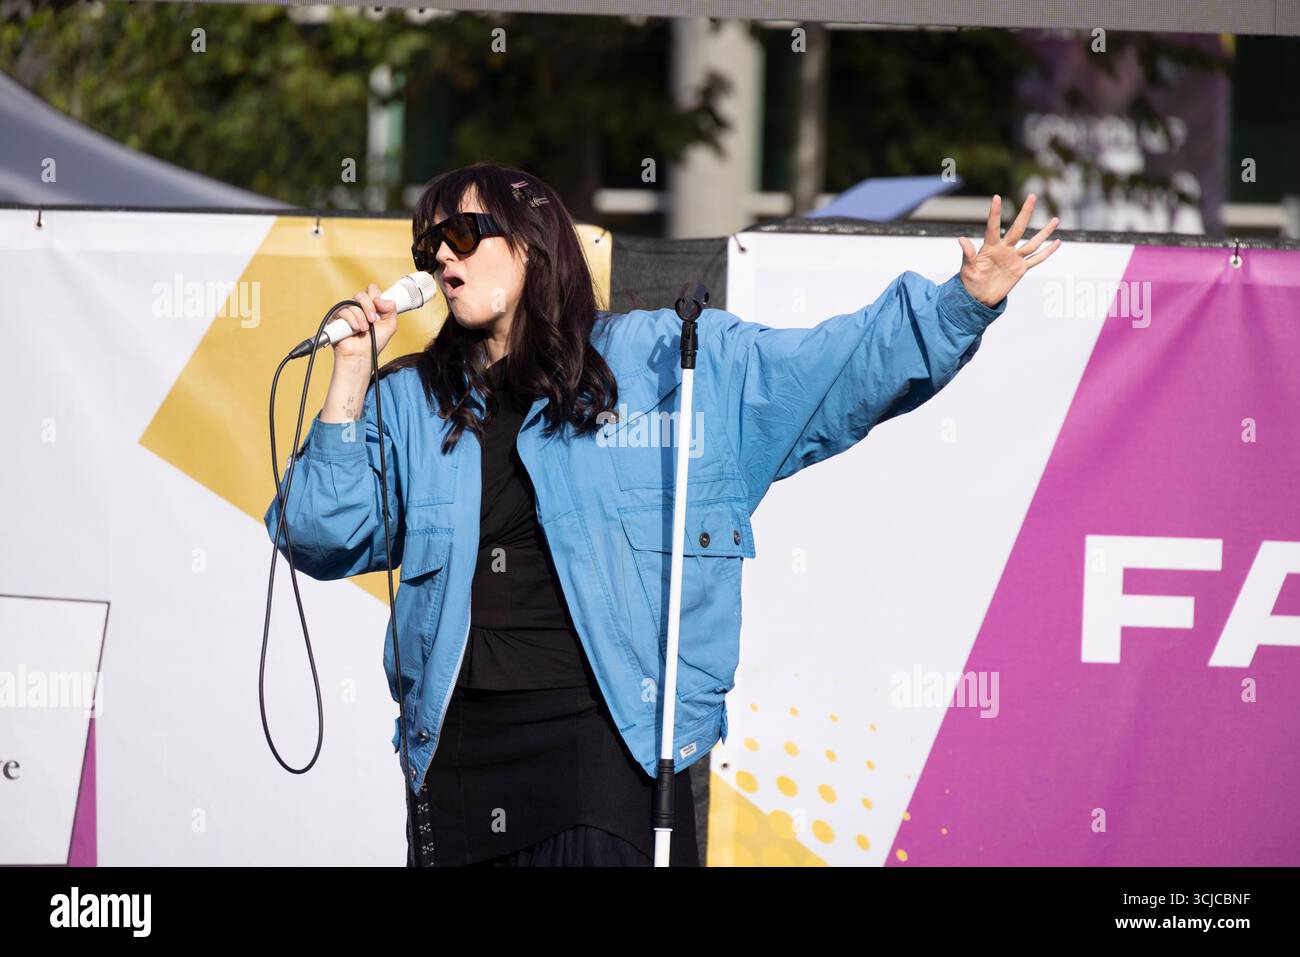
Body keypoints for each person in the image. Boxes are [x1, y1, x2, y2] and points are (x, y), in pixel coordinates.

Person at [265, 161, 1060, 867]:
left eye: (464, 231)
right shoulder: (410, 400)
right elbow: (317, 531)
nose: (441, 253)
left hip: (605, 748)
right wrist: (350, 372)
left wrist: (960, 306)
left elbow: (828, 369)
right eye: (427, 242)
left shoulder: (663, 363)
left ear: (532, 241)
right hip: (460, 758)